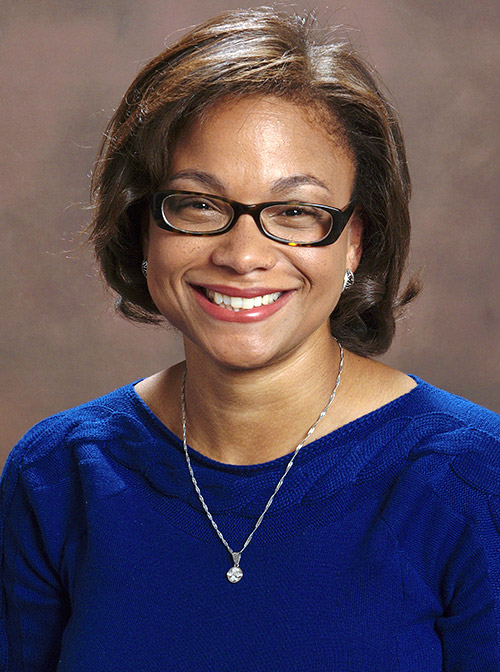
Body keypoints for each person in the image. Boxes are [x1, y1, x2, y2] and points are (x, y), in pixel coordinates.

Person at [1, 7, 499, 671]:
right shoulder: (57, 475)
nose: (243, 254)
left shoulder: (473, 479)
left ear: (355, 240)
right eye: (198, 204)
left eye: (295, 211)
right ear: (144, 227)